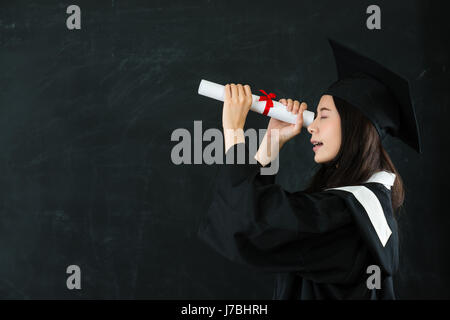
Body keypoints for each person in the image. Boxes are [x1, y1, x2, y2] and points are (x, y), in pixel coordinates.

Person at [197, 39, 422, 300]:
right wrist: (270, 143)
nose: (312, 127)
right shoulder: (355, 212)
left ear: (354, 127)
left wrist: (235, 132)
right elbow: (258, 225)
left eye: (323, 115)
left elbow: (250, 223)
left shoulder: (349, 218)